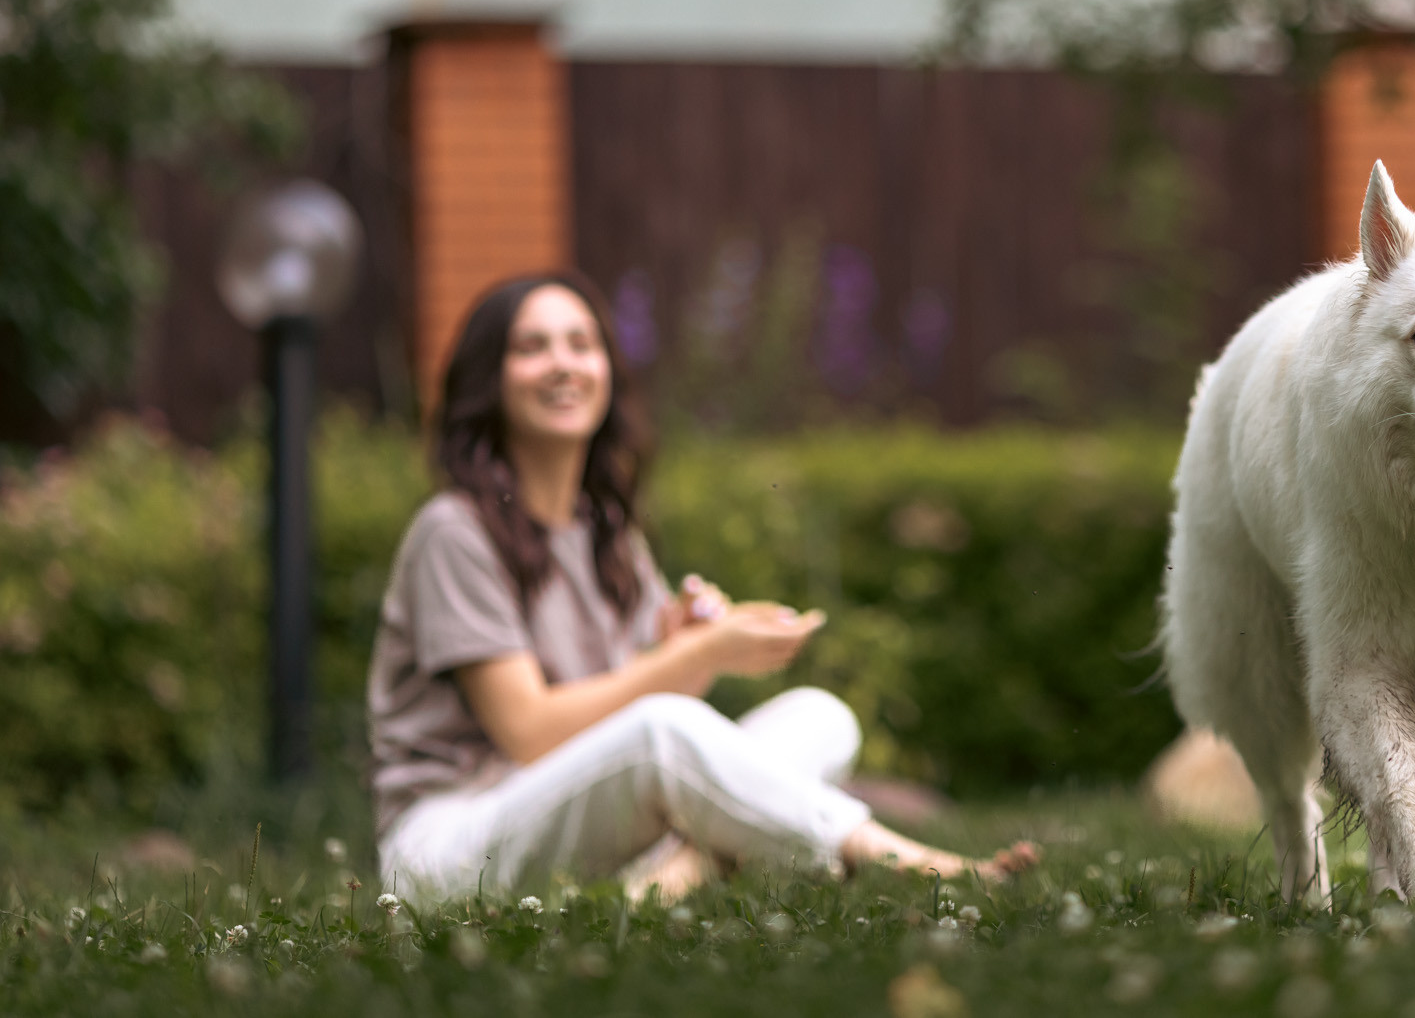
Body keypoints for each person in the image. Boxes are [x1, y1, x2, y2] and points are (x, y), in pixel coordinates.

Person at [368, 271, 1033, 901]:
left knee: (819, 717)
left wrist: (682, 648)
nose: (564, 364)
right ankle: (907, 862)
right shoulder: (453, 532)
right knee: (666, 729)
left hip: (571, 819)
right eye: (532, 347)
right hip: (453, 843)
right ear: (491, 380)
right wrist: (694, 658)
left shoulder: (609, 533)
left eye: (582, 342)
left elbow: (621, 722)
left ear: (608, 371)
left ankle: (660, 888)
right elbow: (534, 733)